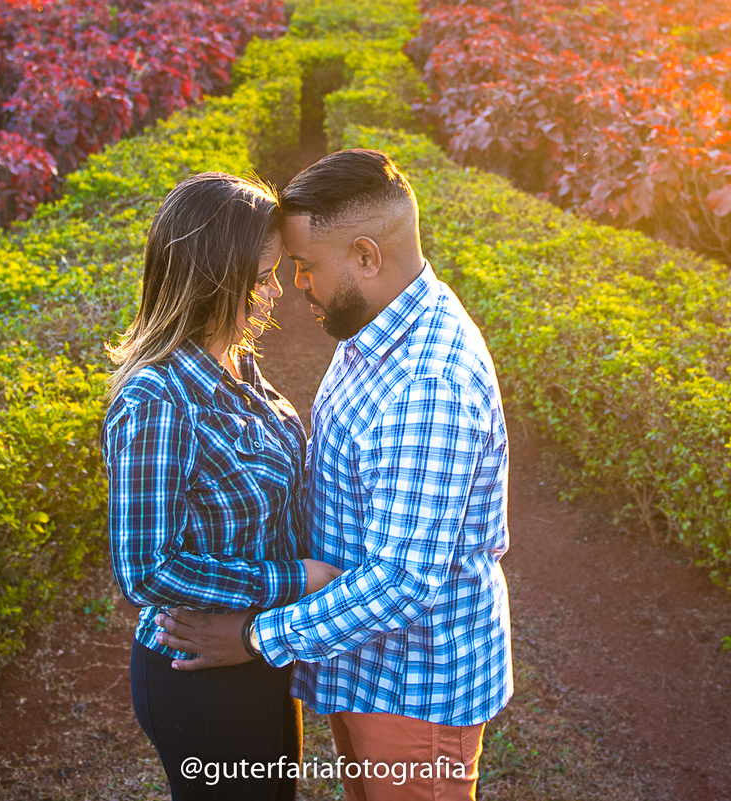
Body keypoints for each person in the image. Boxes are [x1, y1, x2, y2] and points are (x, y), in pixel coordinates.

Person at [155, 149, 513, 801]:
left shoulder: (428, 386)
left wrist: (253, 635)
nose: (297, 286)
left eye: (306, 266)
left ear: (367, 257)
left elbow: (402, 580)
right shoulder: (376, 326)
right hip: (373, 669)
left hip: (414, 691)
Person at [100, 172, 341, 801]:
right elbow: (145, 569)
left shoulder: (236, 364)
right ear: (213, 278)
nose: (277, 290)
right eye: (261, 278)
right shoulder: (158, 398)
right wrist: (296, 581)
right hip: (198, 672)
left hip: (253, 652)